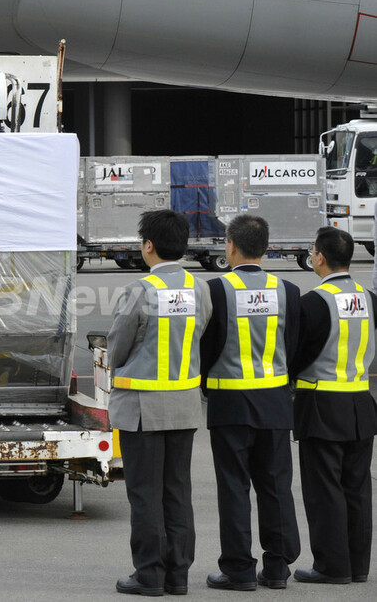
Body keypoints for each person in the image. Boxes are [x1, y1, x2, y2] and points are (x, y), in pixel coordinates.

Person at [108, 210, 212, 597]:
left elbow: (117, 349)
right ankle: (178, 574)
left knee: (145, 494)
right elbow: (202, 332)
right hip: (184, 405)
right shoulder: (200, 289)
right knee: (177, 491)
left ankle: (149, 573)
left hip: (142, 409)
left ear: (148, 245)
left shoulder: (139, 290)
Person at [200, 214, 301, 591]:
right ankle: (277, 568)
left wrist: (208, 383)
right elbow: (293, 344)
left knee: (234, 487)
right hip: (275, 400)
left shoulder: (216, 289)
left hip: (229, 402)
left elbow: (206, 346)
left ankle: (239, 569)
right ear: (266, 247)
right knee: (276, 487)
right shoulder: (288, 290)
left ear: (230, 246)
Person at [290, 226, 377, 585]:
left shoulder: (313, 302)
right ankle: (358, 566)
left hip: (322, 404)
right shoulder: (369, 298)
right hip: (361, 403)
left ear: (320, 258)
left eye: (313, 251)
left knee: (324, 489)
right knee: (357, 488)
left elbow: (297, 355)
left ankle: (331, 567)